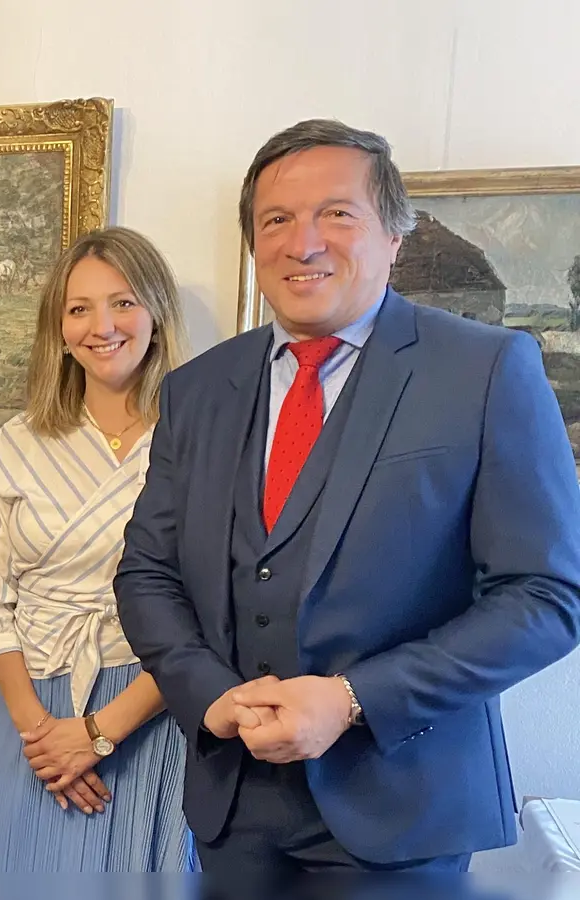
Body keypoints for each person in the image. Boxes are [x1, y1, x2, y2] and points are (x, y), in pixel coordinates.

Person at [115, 119, 580, 875]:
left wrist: (354, 698)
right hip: (231, 815)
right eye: (277, 220)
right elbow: (147, 573)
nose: (304, 242)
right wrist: (206, 694)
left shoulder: (486, 370)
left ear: (394, 235)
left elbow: (547, 596)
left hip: (404, 814)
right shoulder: (197, 389)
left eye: (337, 213)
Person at [0, 227, 196, 872]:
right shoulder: (20, 441)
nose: (101, 326)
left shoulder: (202, 441)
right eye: (79, 308)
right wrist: (45, 737)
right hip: (30, 714)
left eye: (123, 302)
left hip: (151, 709)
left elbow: (215, 614)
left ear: (158, 314)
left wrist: (98, 734)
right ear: (57, 327)